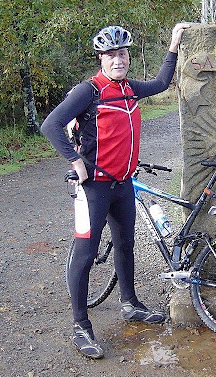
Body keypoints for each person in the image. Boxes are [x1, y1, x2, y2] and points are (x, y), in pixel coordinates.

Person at [40, 23, 190, 359]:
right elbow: (50, 125)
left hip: (122, 184)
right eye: (110, 54)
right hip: (93, 186)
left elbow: (163, 83)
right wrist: (75, 161)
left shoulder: (130, 89)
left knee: (125, 244)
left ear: (128, 57)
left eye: (122, 53)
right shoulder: (89, 91)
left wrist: (174, 44)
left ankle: (130, 303)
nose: (117, 59)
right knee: (85, 254)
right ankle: (81, 326)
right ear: (101, 58)